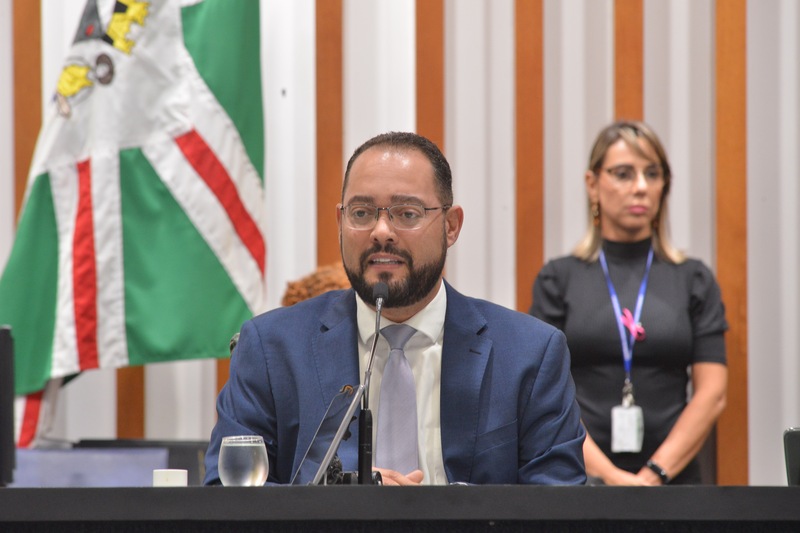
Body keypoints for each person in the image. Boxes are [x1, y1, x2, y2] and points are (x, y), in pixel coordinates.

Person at [205, 131, 586, 486]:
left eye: (407, 213)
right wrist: (336, 507)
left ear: (451, 226)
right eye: (361, 213)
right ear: (340, 222)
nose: (381, 231)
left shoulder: (529, 354)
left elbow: (558, 505)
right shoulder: (270, 348)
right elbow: (228, 495)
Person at [530, 121, 728, 485]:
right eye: (623, 174)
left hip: (674, 483)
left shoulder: (694, 279)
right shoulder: (558, 280)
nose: (640, 187)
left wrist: (654, 474)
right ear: (593, 184)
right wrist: (609, 477)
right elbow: (545, 396)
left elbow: (712, 393)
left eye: (652, 174)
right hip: (582, 481)